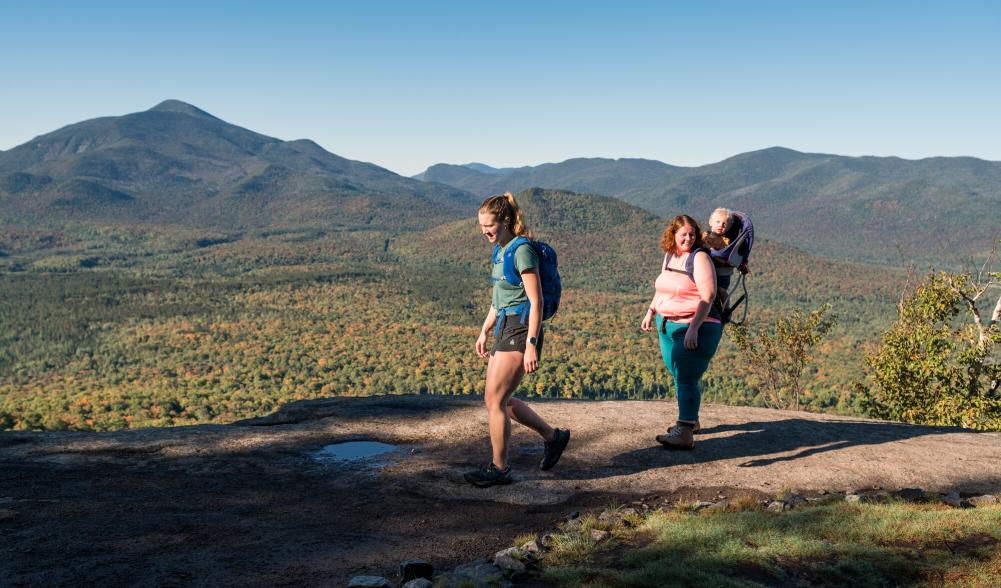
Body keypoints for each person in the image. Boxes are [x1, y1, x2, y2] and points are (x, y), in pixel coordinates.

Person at [464, 193, 570, 487]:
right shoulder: (500, 250)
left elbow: (535, 302)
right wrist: (484, 330)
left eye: (490, 225)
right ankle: (553, 437)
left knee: (494, 399)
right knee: (500, 399)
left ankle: (500, 469)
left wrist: (532, 344)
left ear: (506, 221)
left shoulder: (522, 251)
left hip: (522, 329)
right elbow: (499, 300)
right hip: (505, 326)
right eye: (482, 225)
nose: (485, 231)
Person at [640, 214, 724, 449]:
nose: (688, 238)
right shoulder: (670, 256)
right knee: (679, 374)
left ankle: (684, 430)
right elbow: (662, 289)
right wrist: (651, 311)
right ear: (673, 236)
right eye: (683, 234)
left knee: (686, 377)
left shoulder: (699, 259)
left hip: (695, 326)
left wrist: (694, 328)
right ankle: (691, 419)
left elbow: (708, 296)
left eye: (692, 234)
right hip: (668, 324)